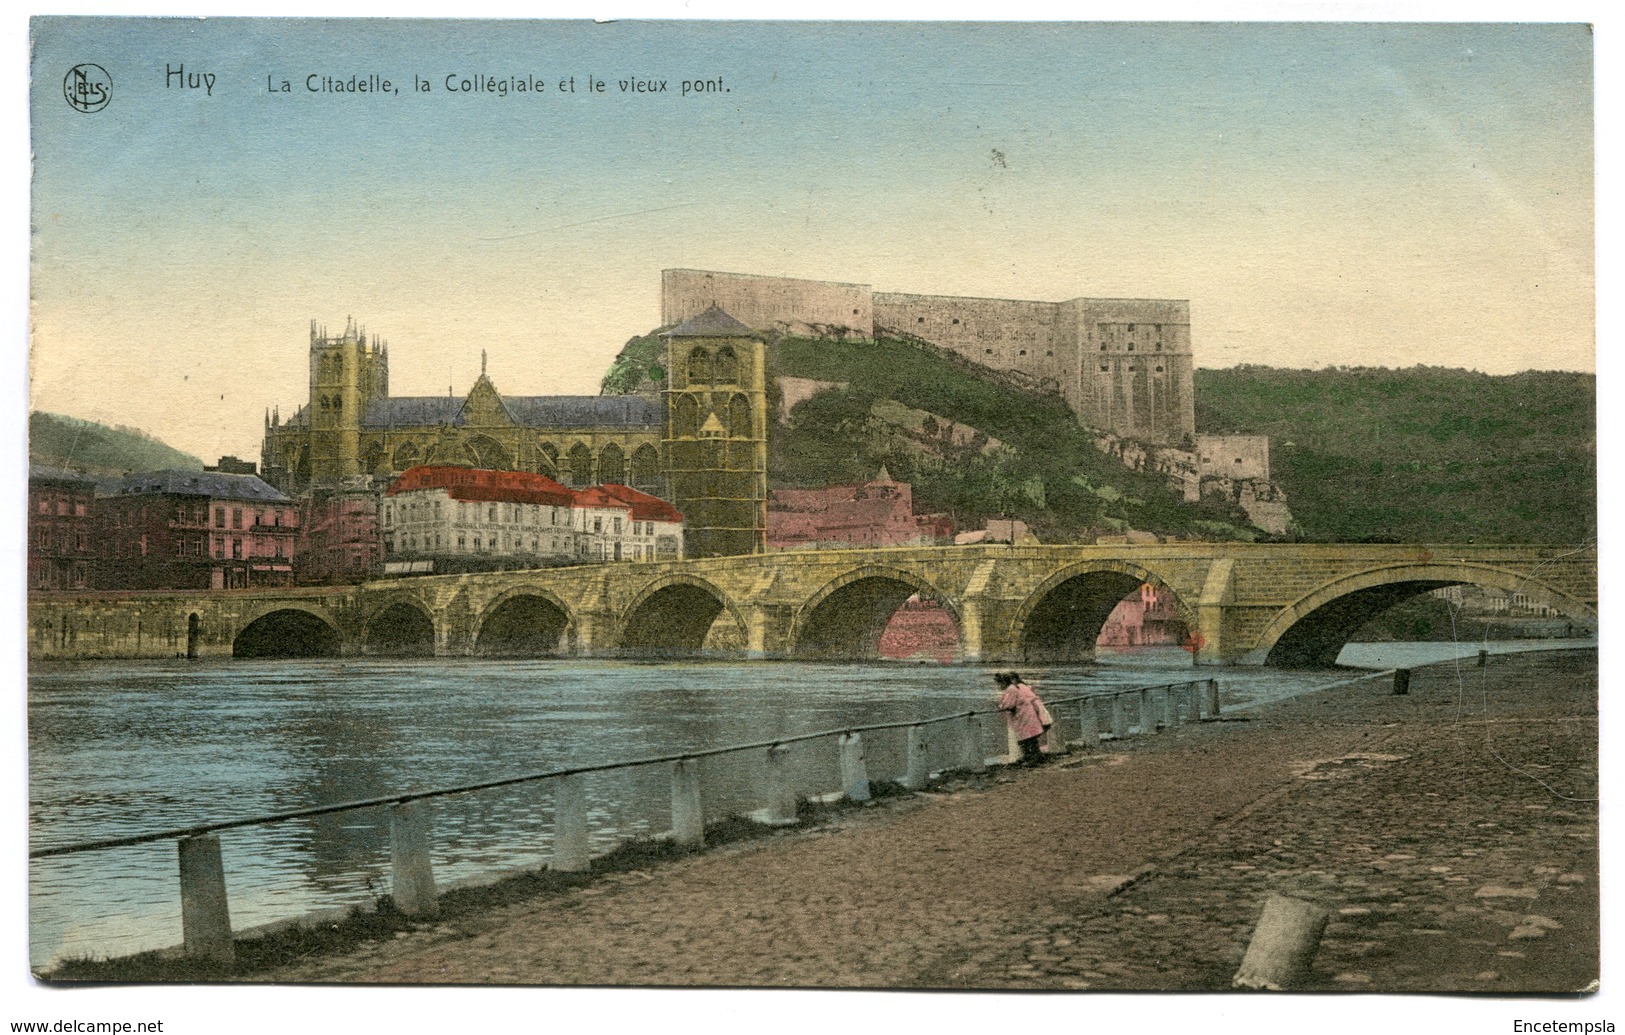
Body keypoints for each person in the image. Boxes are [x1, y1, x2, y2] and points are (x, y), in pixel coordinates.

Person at [995, 671, 1052, 766]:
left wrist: (1001, 707)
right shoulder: (1012, 688)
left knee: (1028, 737)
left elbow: (1009, 704)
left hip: (1024, 714)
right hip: (1024, 714)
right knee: (1029, 737)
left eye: (999, 684)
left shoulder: (1011, 689)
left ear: (1003, 683)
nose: (998, 686)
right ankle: (1033, 756)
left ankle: (1032, 758)